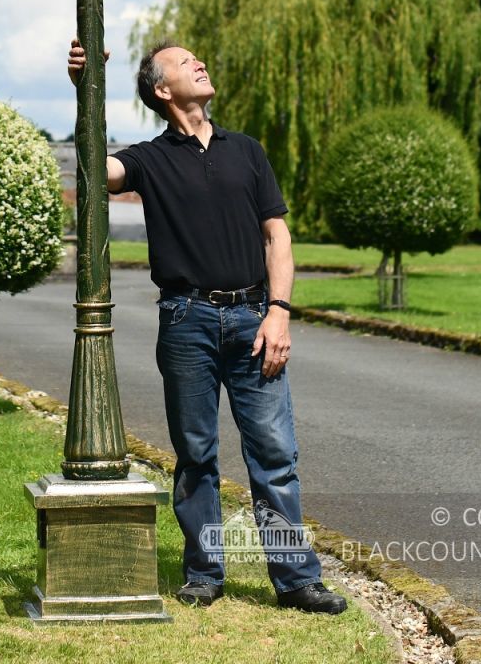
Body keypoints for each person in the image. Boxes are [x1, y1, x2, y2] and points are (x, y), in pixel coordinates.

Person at [67, 37, 346, 615]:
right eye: (184, 60)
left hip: (253, 317)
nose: (200, 61)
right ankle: (204, 571)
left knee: (274, 454)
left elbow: (278, 237)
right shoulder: (148, 158)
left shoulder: (246, 150)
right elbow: (95, 172)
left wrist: (279, 313)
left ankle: (295, 579)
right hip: (186, 318)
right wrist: (86, 89)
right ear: (162, 89)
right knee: (195, 453)